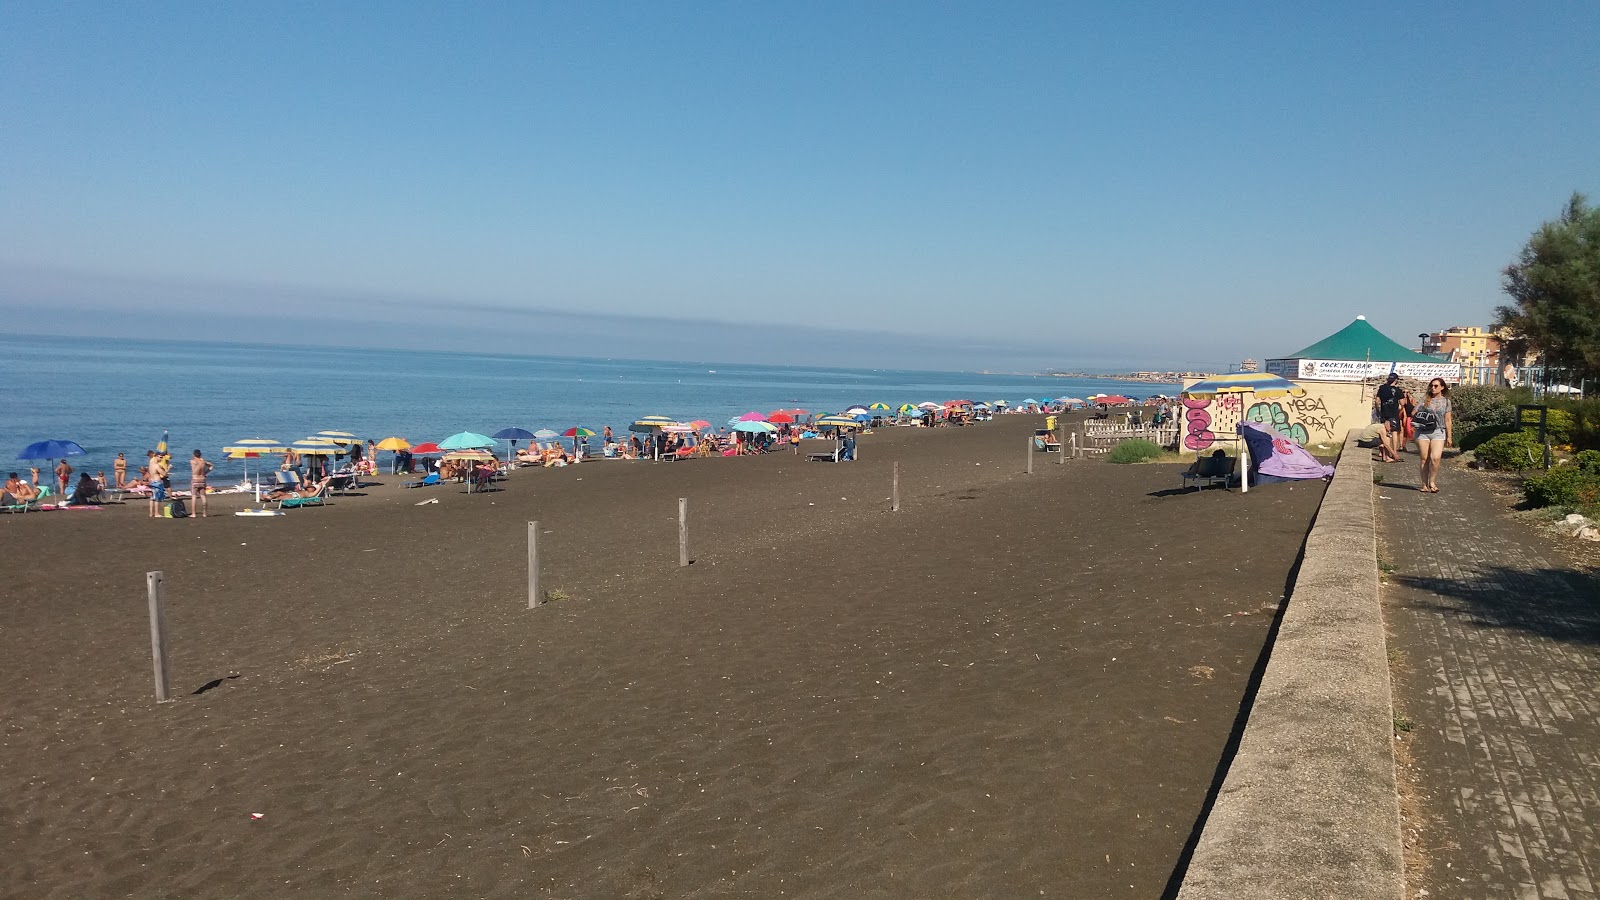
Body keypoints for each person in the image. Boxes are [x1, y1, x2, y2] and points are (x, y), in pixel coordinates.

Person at [1413, 378, 1453, 493]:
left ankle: (1432, 481)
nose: (1433, 388)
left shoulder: (1446, 401)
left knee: (1435, 458)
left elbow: (1448, 419)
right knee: (1424, 458)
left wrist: (1449, 436)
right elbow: (1413, 412)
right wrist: (1423, 411)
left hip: (1438, 431)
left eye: (1436, 386)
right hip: (1423, 431)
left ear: (1442, 387)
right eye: (1431, 386)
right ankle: (1424, 484)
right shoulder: (1425, 399)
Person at [1373, 373, 1404, 463]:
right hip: (1394, 413)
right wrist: (1400, 409)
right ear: (1396, 380)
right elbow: (1402, 403)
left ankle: (1384, 453)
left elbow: (1377, 400)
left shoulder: (1382, 388)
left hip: (1384, 413)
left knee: (1384, 433)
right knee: (1394, 432)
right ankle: (1393, 452)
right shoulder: (1398, 390)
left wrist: (1378, 410)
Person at [189, 449, 214, 517]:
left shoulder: (192, 461)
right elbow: (211, 466)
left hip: (195, 479)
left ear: (194, 454)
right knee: (203, 496)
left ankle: (193, 513)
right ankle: (204, 513)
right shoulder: (203, 461)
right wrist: (205, 472)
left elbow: (194, 467)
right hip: (202, 479)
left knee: (194, 496)